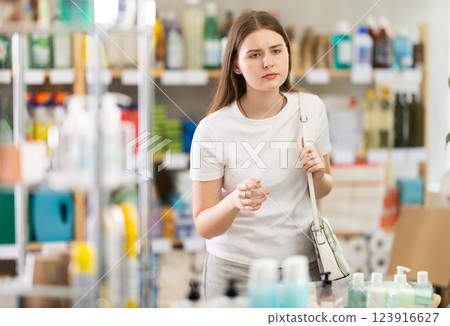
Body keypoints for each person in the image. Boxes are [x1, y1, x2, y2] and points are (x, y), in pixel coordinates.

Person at [190, 10, 333, 301]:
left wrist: (319, 173)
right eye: (254, 54)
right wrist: (233, 201)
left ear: (287, 54)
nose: (268, 62)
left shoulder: (311, 109)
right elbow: (204, 225)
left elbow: (322, 189)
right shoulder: (213, 129)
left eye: (276, 50)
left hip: (302, 267)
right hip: (236, 272)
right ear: (236, 65)